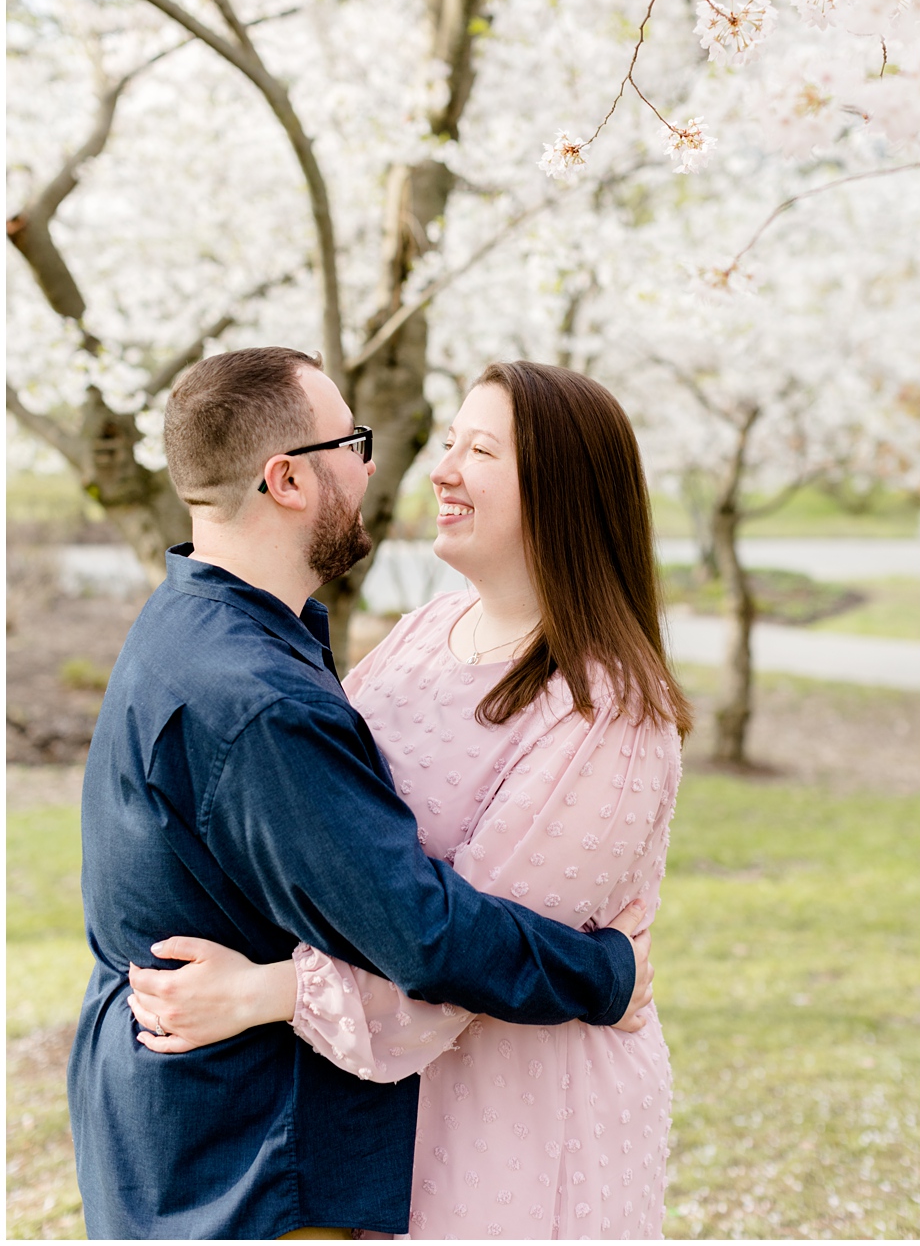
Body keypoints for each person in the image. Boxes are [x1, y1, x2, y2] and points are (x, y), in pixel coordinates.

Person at [69, 349, 653, 1240]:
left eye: (478, 450)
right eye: (354, 442)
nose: (391, 466)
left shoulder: (210, 624)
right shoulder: (264, 692)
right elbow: (419, 931)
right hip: (249, 1152)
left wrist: (272, 988)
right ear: (288, 477)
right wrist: (608, 972)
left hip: (401, 1122)